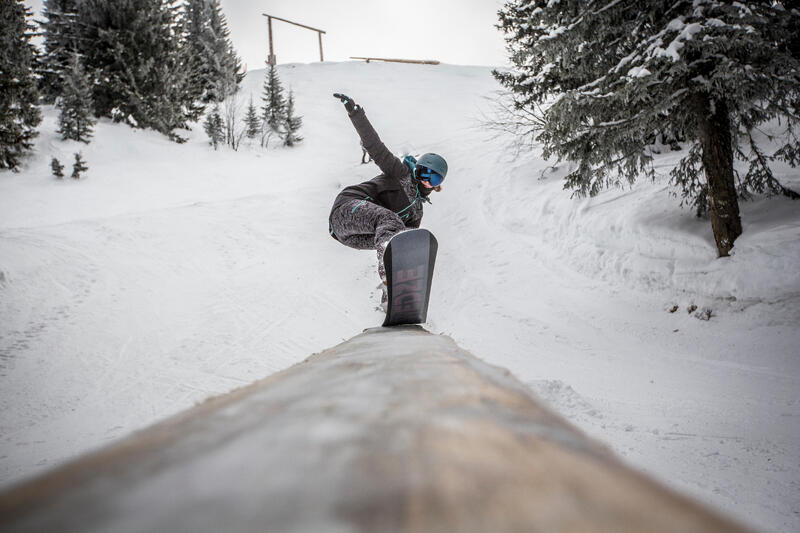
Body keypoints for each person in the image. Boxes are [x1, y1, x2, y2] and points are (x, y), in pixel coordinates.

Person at [328, 93, 447, 306]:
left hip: (351, 237)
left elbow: (404, 245)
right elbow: (375, 147)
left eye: (434, 178)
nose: (427, 181)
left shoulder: (416, 212)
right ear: (417, 170)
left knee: (404, 243)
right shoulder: (400, 172)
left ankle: (392, 301)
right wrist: (356, 114)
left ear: (438, 184)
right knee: (391, 221)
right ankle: (388, 281)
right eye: (424, 174)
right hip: (347, 208)